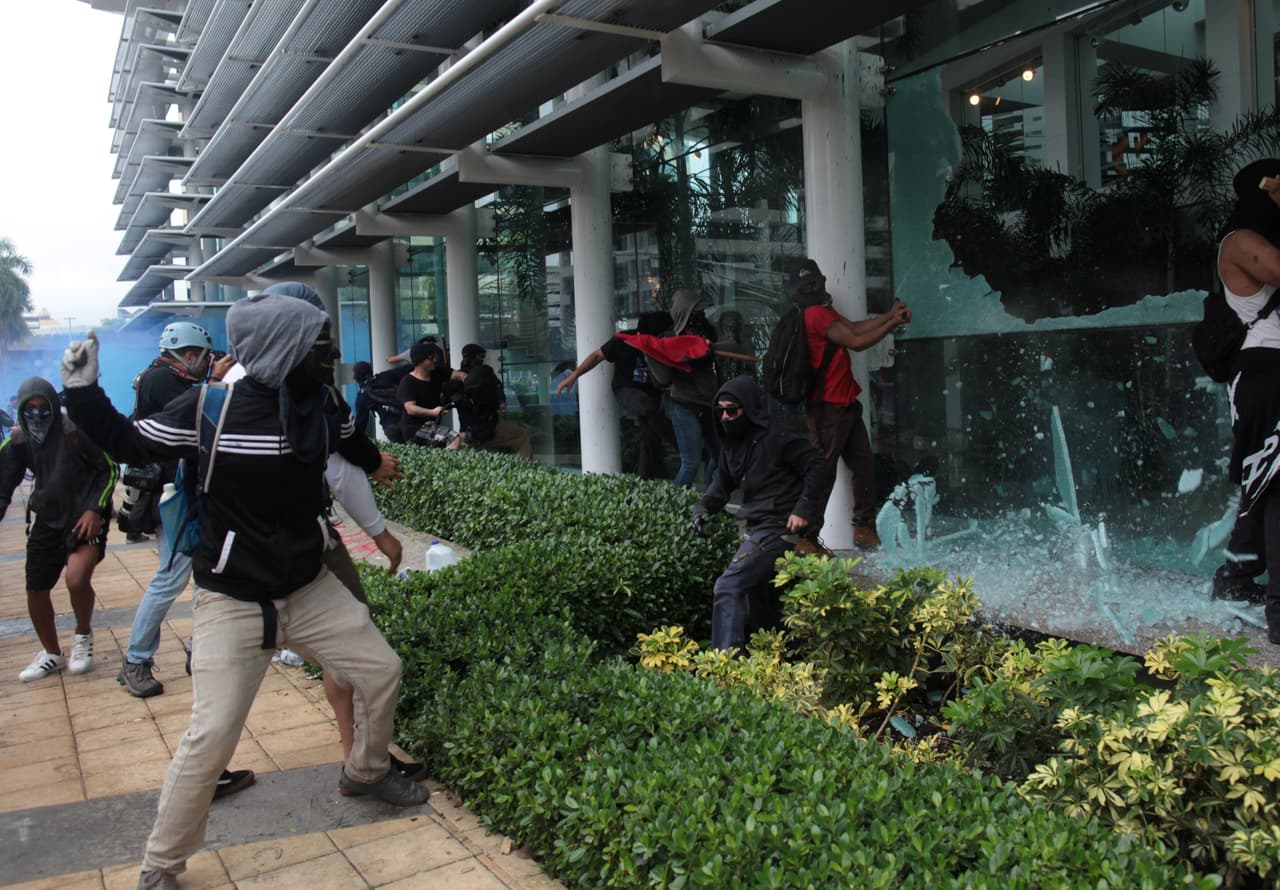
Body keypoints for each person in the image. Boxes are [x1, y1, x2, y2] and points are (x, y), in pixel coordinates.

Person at [60, 293, 426, 890]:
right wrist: (82, 392)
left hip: (308, 588)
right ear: (283, 349)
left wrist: (375, 464)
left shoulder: (321, 402)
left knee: (381, 669)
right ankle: (161, 863)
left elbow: (348, 442)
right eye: (317, 343)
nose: (328, 353)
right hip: (232, 599)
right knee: (212, 736)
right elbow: (131, 443)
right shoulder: (211, 407)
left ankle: (366, 770)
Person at [117, 322, 233, 698]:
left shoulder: (169, 377)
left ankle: (200, 649)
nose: (208, 363)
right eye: (205, 358)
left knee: (204, 577)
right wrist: (213, 381)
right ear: (189, 355)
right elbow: (193, 414)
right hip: (172, 496)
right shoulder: (161, 379)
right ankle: (135, 659)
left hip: (186, 493)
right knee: (170, 577)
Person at [692, 376, 834, 652]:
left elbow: (818, 466)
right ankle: (778, 653)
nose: (725, 417)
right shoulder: (733, 445)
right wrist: (703, 507)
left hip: (778, 528)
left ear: (748, 409)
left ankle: (725, 661)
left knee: (728, 586)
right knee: (762, 595)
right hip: (756, 526)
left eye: (731, 410)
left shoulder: (779, 438)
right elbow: (722, 483)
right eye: (720, 411)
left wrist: (803, 510)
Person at [0, 377, 119, 682]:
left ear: (54, 405)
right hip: (46, 519)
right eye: (30, 408)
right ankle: (51, 653)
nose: (37, 414)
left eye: (43, 407)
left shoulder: (76, 431)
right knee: (36, 588)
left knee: (76, 580)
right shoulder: (18, 442)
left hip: (83, 517)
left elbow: (109, 469)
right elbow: (3, 484)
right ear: (21, 410)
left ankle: (83, 634)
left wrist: (95, 508)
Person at [794, 258, 911, 550]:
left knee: (864, 464)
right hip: (827, 407)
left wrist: (888, 316)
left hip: (844, 402)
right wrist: (893, 323)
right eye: (806, 285)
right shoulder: (814, 314)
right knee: (824, 472)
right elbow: (855, 342)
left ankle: (863, 527)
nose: (812, 288)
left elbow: (855, 328)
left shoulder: (824, 311)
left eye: (814, 282)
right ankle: (807, 539)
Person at [1212, 158, 1280, 644]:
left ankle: (1236, 578)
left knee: (1265, 481)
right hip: (1265, 372)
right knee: (1274, 483)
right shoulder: (1240, 241)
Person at [555, 311, 673, 478]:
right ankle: (679, 441)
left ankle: (644, 481)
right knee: (646, 405)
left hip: (652, 393)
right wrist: (574, 376)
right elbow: (597, 356)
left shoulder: (664, 343)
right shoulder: (623, 340)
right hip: (626, 389)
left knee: (651, 439)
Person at [647, 290, 722, 488]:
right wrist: (697, 350)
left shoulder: (707, 332)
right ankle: (672, 505)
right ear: (684, 313)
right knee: (691, 463)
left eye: (700, 311)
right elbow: (665, 376)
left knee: (719, 457)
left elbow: (721, 349)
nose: (700, 315)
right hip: (684, 404)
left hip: (708, 402)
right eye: (695, 312)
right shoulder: (669, 338)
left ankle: (710, 500)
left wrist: (708, 347)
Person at [446, 344, 532, 459]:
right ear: (478, 357)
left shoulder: (455, 380)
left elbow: (445, 400)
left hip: (467, 431)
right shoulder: (486, 372)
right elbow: (500, 398)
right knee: (522, 436)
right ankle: (527, 468)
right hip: (491, 428)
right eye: (482, 356)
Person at [396, 339, 450, 442]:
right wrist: (432, 412)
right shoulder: (408, 381)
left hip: (432, 426)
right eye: (431, 358)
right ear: (420, 361)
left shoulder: (436, 375)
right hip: (414, 429)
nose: (435, 360)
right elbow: (410, 408)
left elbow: (458, 375)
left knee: (456, 439)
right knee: (452, 439)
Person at [352, 360, 405, 442]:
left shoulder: (362, 396)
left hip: (390, 427)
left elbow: (361, 424)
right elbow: (408, 368)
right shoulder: (384, 376)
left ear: (356, 377)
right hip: (406, 418)